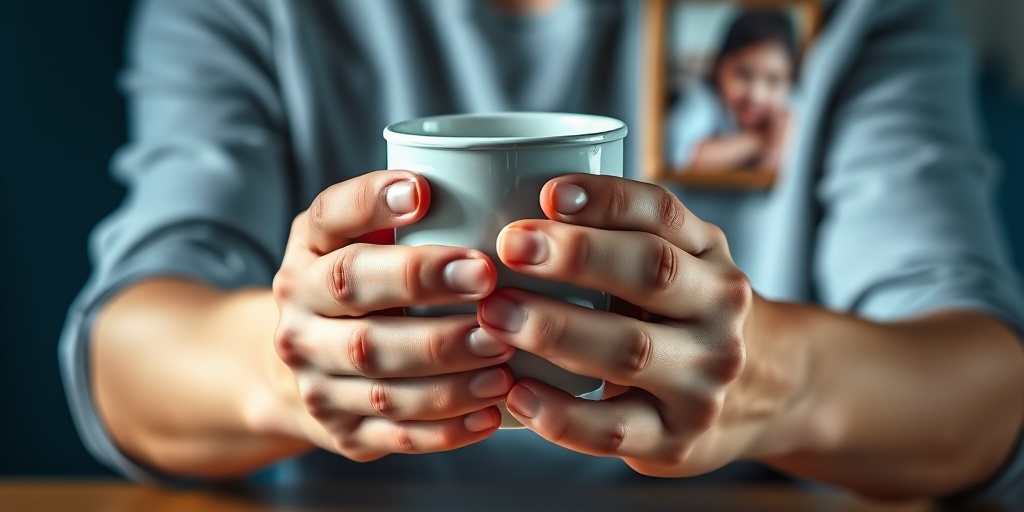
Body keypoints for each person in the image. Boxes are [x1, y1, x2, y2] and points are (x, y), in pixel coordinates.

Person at [59, 0, 1024, 504]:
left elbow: (983, 390)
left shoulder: (855, 12)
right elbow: (127, 353)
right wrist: (299, 362)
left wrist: (768, 375)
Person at [665, 9, 797, 172]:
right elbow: (681, 157)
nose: (756, 96)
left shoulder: (791, 109)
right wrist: (758, 141)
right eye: (744, 74)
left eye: (773, 81)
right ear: (717, 66)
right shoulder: (703, 99)